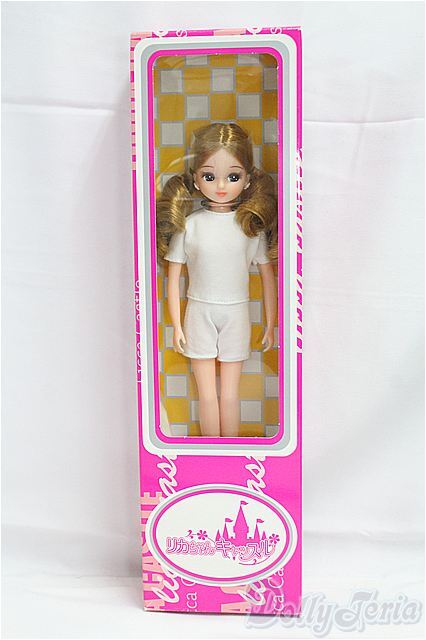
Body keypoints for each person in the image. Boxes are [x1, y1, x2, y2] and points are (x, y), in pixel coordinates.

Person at [156, 122, 277, 438]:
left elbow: (268, 279)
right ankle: (211, 449)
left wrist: (270, 324)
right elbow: (173, 280)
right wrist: (177, 326)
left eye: (233, 177)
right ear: (196, 180)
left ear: (247, 180)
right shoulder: (190, 226)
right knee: (207, 394)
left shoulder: (249, 228)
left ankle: (231, 452)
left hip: (236, 312)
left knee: (230, 394)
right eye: (209, 176)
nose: (221, 185)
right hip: (199, 311)